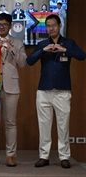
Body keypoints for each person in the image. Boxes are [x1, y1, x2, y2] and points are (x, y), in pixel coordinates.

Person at [26, 14, 85, 169]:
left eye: (53, 25)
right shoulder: (42, 43)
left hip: (62, 91)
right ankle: (43, 156)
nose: (51, 28)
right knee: (44, 125)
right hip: (43, 90)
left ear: (59, 26)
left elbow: (82, 55)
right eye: (48, 26)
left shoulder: (69, 43)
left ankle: (64, 157)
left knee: (63, 125)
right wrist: (42, 51)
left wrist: (64, 49)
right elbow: (29, 61)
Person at [0, 13, 27, 167]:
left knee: (11, 122)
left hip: (11, 87)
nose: (1, 27)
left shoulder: (18, 42)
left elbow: (22, 64)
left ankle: (11, 155)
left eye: (4, 24)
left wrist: (12, 49)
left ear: (10, 26)